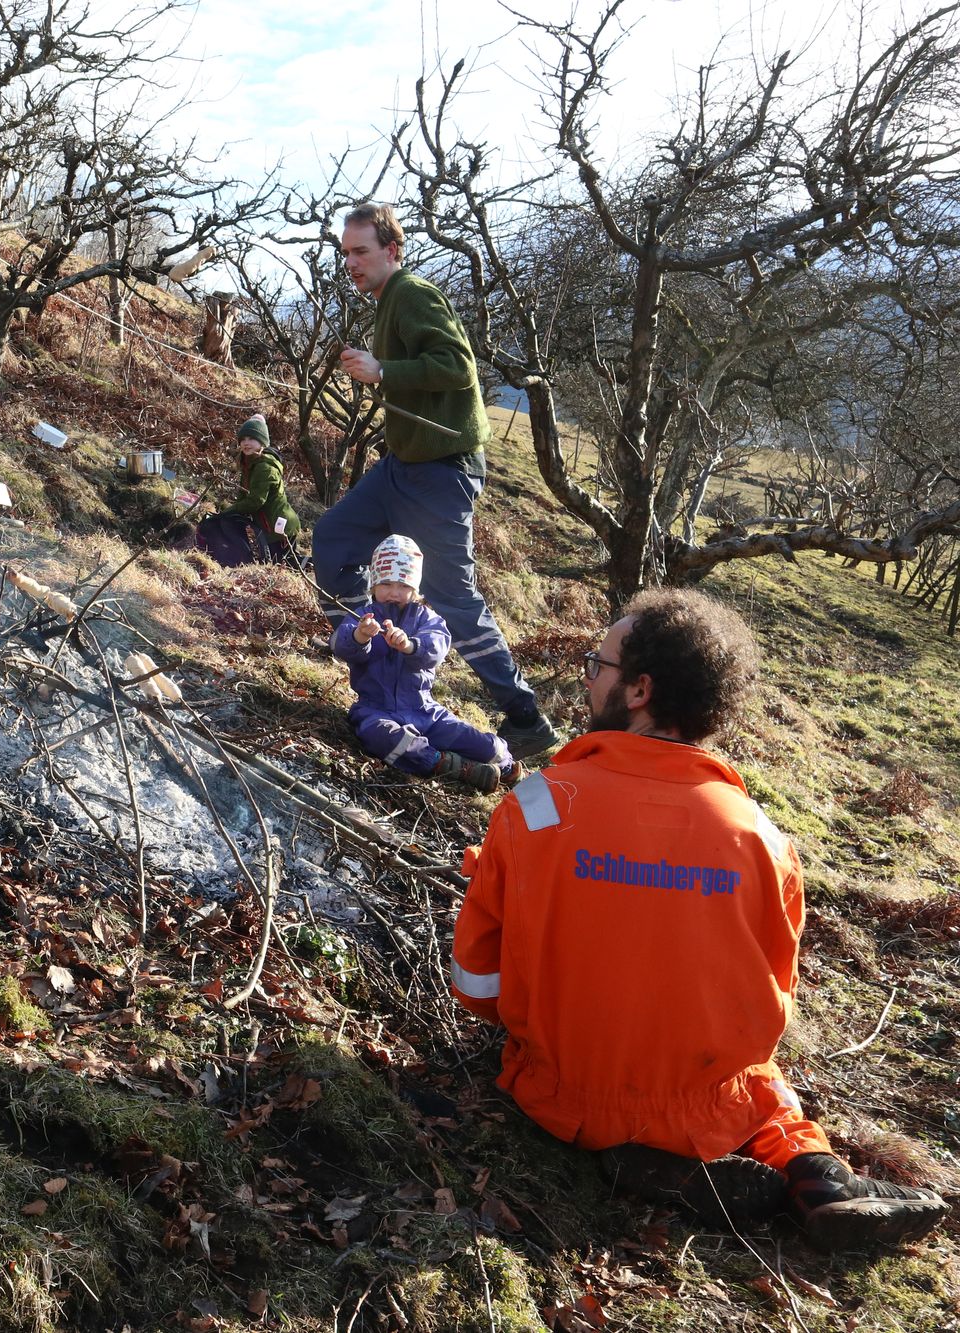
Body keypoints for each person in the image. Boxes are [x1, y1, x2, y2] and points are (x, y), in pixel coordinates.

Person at [450, 589, 948, 1251]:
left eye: (598, 665)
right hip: (699, 1109)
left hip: (554, 1094)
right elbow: (767, 1012)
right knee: (759, 1086)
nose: (589, 678)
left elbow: (475, 986)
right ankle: (816, 1173)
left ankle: (656, 1164)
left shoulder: (538, 804)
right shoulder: (763, 839)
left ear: (640, 689)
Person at [313, 202, 560, 761]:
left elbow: (457, 365)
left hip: (441, 472)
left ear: (392, 251)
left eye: (362, 252)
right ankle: (367, 649)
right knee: (333, 538)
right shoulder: (385, 302)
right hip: (403, 466)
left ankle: (525, 717)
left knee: (452, 595)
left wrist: (384, 372)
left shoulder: (413, 293)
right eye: (346, 252)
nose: (351, 262)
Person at [331, 535, 514, 793]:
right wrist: (361, 636)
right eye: (385, 583)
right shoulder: (365, 617)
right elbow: (340, 643)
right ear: (373, 585)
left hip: (425, 711)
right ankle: (446, 764)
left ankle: (507, 767)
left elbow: (437, 647)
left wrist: (409, 645)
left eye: (402, 585)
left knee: (481, 743)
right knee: (379, 736)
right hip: (376, 708)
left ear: (414, 588)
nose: (393, 592)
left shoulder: (428, 619)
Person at [193, 413, 299, 568]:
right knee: (277, 566)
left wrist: (228, 512)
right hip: (268, 526)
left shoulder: (264, 467)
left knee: (284, 567)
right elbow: (243, 496)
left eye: (251, 439)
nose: (246, 443)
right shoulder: (248, 463)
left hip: (279, 528)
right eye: (243, 439)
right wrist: (230, 512)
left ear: (262, 442)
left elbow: (255, 501)